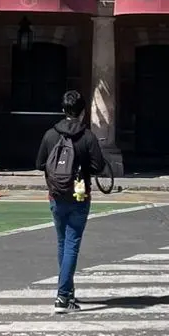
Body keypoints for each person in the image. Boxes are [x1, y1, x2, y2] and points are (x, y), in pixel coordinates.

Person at [36, 89, 108, 314]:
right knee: (72, 244)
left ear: (63, 110)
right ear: (83, 112)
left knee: (62, 243)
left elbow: (39, 164)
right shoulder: (87, 137)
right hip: (79, 195)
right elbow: (99, 167)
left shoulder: (50, 134)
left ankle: (68, 292)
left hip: (56, 195)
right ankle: (63, 296)